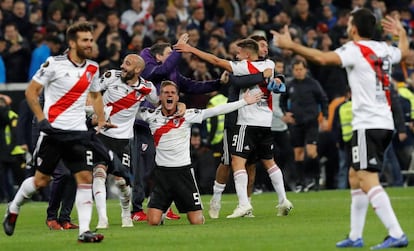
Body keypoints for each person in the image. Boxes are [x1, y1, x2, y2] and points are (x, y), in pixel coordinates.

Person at [272, 8, 409, 249]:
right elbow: (405, 52)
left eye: (349, 24)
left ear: (353, 28)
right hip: (382, 121)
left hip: (369, 123)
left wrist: (292, 46)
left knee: (366, 177)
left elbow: (323, 59)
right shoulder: (385, 49)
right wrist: (401, 33)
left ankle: (396, 233)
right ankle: (355, 236)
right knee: (354, 177)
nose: (347, 27)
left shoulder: (355, 50)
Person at [2, 22, 110, 243]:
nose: (90, 44)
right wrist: (42, 120)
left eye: (91, 40)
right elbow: (31, 92)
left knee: (84, 178)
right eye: (85, 40)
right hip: (53, 132)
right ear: (72, 43)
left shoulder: (92, 68)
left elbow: (96, 95)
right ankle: (13, 208)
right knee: (41, 181)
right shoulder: (53, 64)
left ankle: (84, 231)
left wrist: (101, 120)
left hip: (78, 133)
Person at [174, 38, 293, 218]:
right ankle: (283, 200)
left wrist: (191, 49)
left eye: (239, 52)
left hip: (246, 122)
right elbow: (240, 82)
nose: (236, 55)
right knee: (269, 162)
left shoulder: (243, 66)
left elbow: (215, 60)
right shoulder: (270, 65)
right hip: (265, 123)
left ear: (246, 53)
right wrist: (269, 77)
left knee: (237, 162)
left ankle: (244, 204)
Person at [137, 80, 262, 225]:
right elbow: (128, 110)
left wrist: (244, 102)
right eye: (166, 93)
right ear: (160, 97)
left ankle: (172, 209)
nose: (169, 95)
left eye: (172, 93)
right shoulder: (151, 115)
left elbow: (216, 110)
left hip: (183, 173)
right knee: (152, 222)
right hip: (162, 174)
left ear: (178, 97)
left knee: (196, 221)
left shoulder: (188, 115)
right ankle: (163, 210)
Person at [130, 33, 226, 222]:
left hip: (163, 127)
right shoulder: (149, 69)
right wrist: (178, 48)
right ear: (159, 57)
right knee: (145, 168)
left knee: (164, 166)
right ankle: (136, 209)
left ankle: (164, 205)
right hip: (145, 125)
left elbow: (193, 86)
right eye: (169, 53)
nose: (174, 56)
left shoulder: (172, 73)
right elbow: (161, 70)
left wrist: (218, 83)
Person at [92, 53, 158, 229]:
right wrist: (95, 114)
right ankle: (102, 218)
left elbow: (158, 103)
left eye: (127, 64)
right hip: (102, 135)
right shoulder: (111, 77)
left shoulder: (147, 88)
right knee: (99, 173)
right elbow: (92, 93)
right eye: (122, 62)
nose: (122, 66)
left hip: (123, 140)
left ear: (137, 70)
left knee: (123, 182)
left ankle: (125, 214)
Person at [280, 58, 329, 192]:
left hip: (311, 122)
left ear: (305, 70)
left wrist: (325, 117)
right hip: (296, 123)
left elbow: (323, 100)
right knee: (298, 153)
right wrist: (286, 113)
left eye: (301, 69)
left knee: (312, 151)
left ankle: (316, 179)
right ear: (293, 71)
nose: (299, 72)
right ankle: (301, 182)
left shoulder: (313, 84)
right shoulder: (290, 85)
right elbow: (282, 101)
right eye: (296, 70)